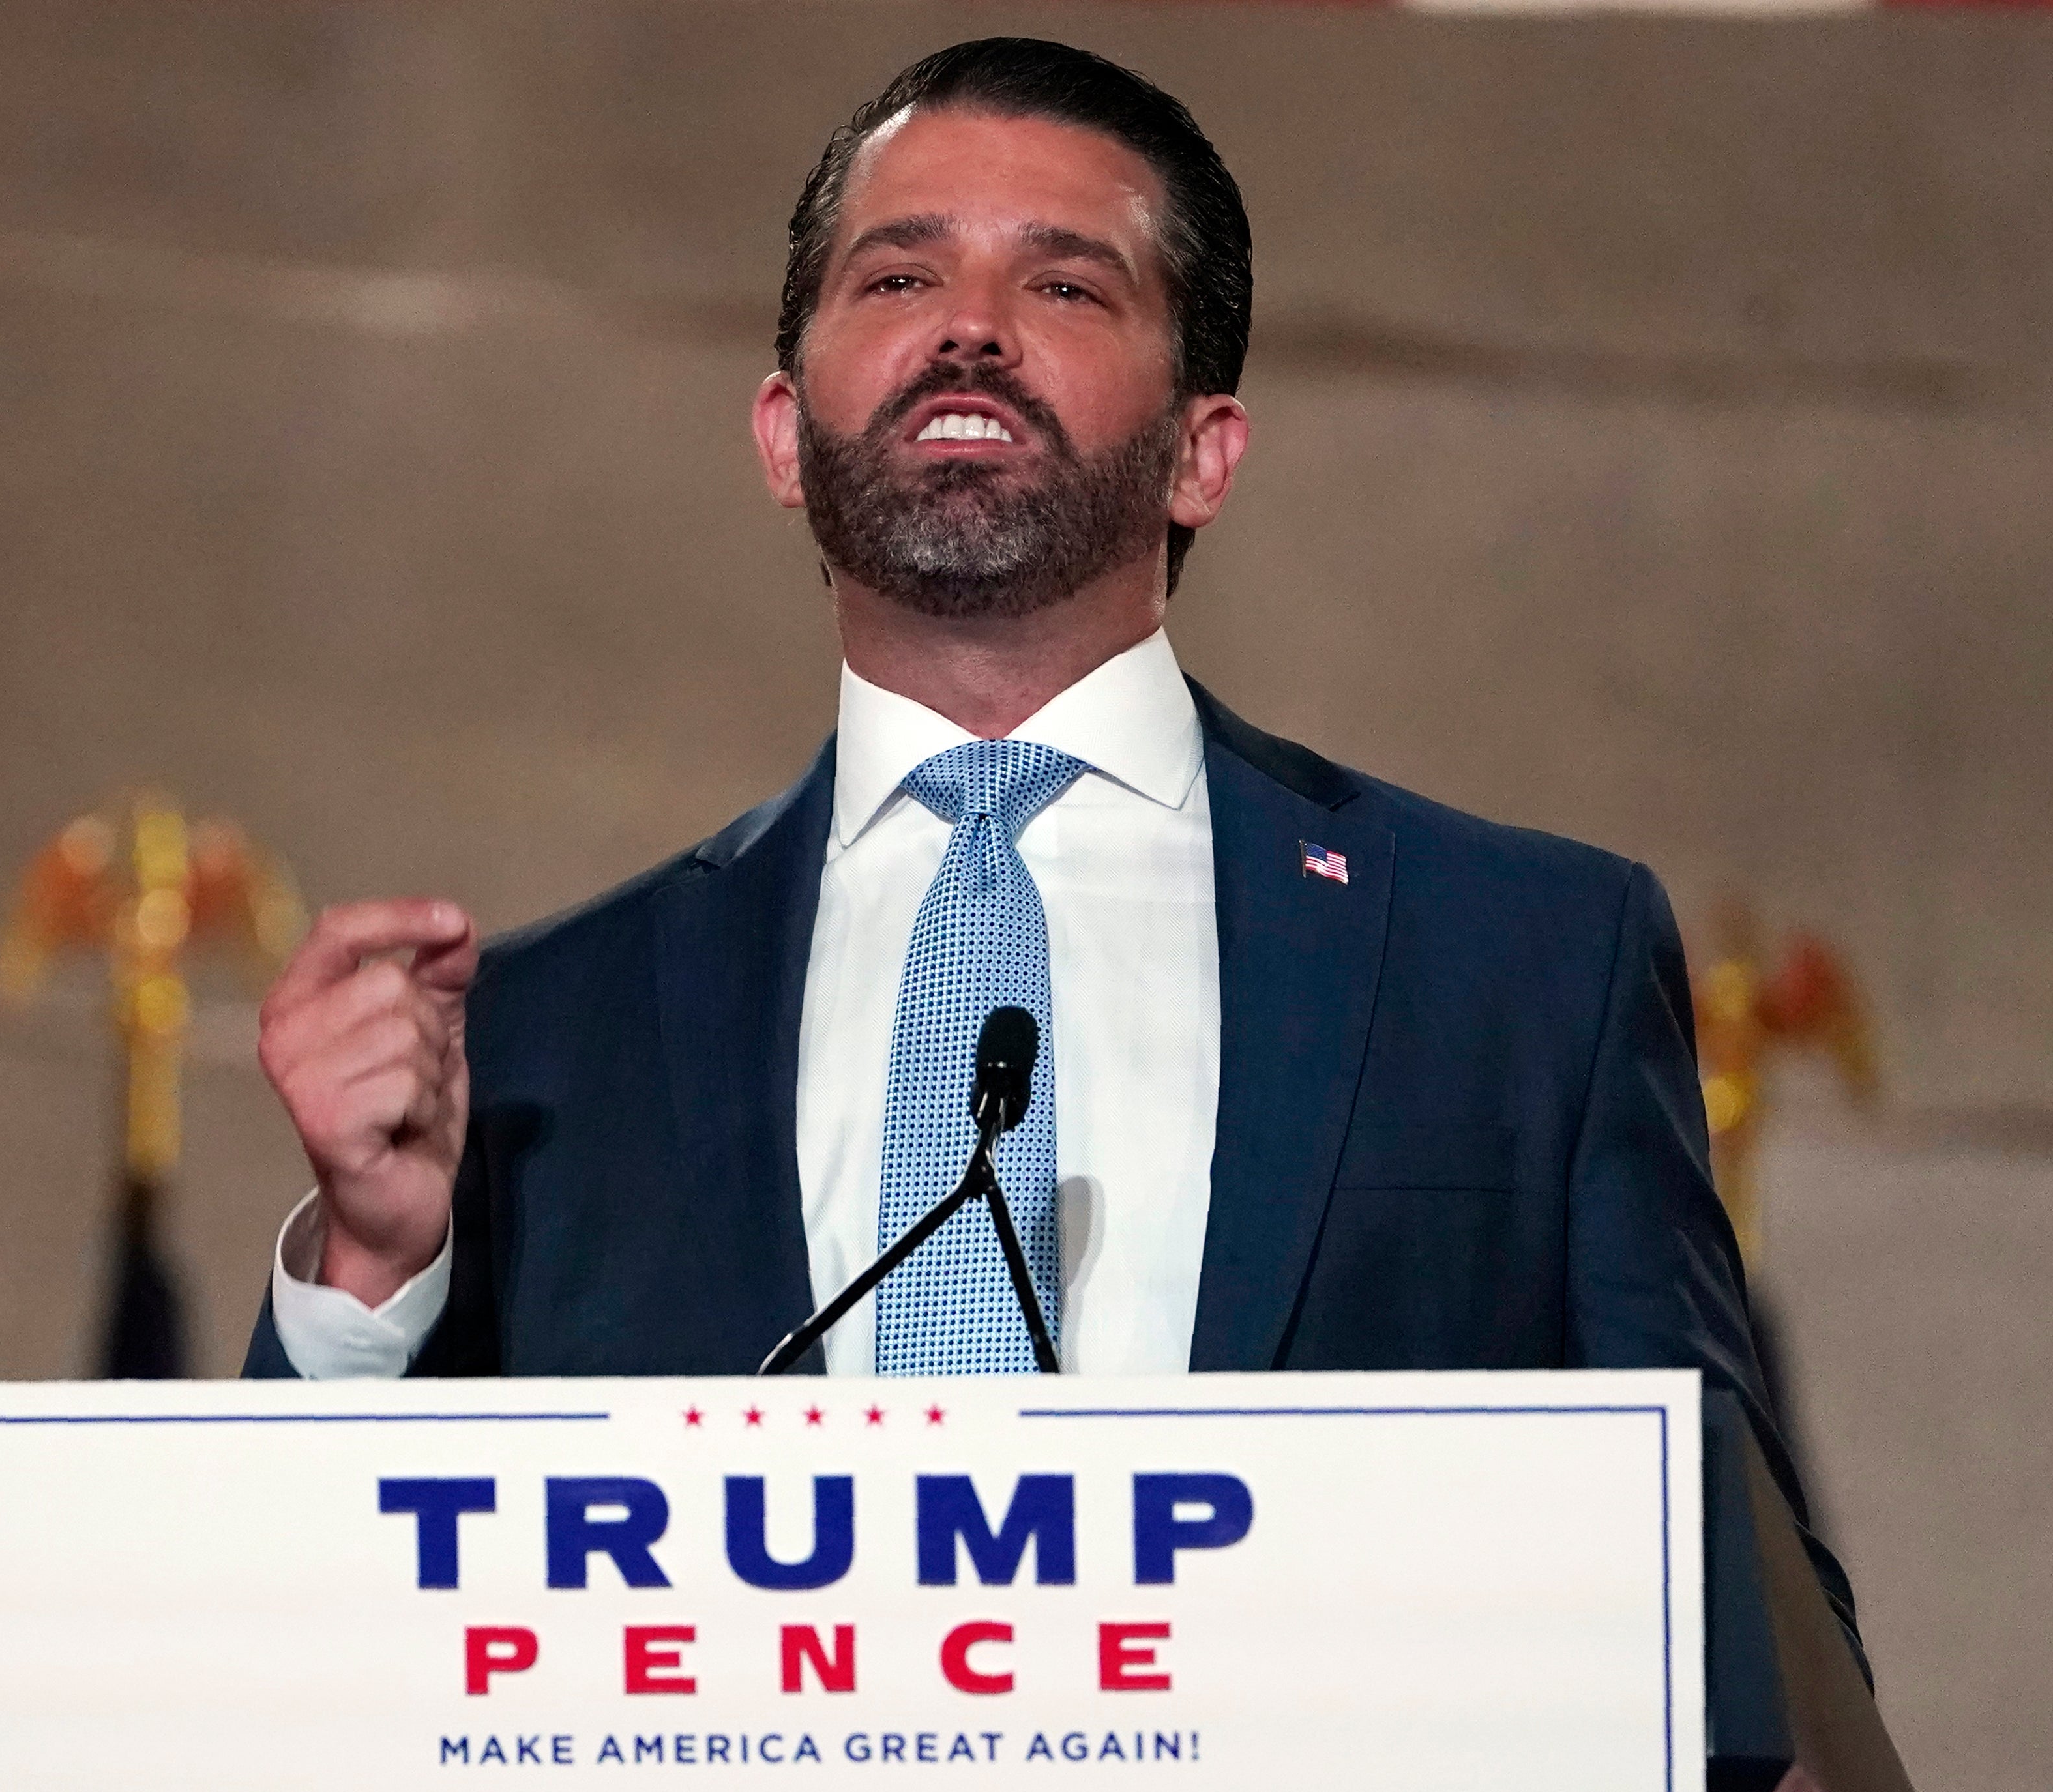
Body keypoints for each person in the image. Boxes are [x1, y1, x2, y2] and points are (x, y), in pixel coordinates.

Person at [243, 34, 1852, 1650]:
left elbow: (1743, 1646)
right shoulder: (541, 1038)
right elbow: (308, 1675)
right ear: (784, 435)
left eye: (1067, 289)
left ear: (1204, 452)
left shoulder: (1523, 971)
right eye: (896, 280)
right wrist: (374, 1272)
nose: (968, 329)